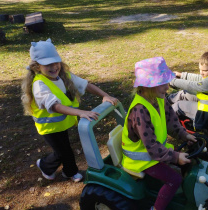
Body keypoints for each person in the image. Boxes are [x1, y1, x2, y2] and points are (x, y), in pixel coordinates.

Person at [21, 38, 118, 182]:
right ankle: (48, 166)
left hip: (62, 123)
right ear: (37, 67)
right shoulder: (39, 85)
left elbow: (85, 85)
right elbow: (54, 106)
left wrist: (105, 95)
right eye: (48, 64)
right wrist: (81, 112)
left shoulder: (63, 76)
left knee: (65, 148)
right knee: (62, 152)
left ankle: (68, 171)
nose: (54, 67)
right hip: (49, 126)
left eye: (56, 62)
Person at [121, 57, 196, 210]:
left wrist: (184, 134)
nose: (168, 87)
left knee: (189, 161)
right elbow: (151, 146)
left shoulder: (158, 98)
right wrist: (174, 156)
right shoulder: (139, 111)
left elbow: (171, 120)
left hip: (154, 152)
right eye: (163, 84)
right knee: (173, 180)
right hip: (142, 159)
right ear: (148, 86)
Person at [167, 51, 208, 131]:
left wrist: (172, 81)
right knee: (184, 94)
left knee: (178, 106)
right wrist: (181, 75)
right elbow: (200, 78)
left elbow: (191, 86)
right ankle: (165, 100)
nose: (201, 73)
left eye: (204, 71)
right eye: (200, 69)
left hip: (207, 113)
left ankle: (163, 115)